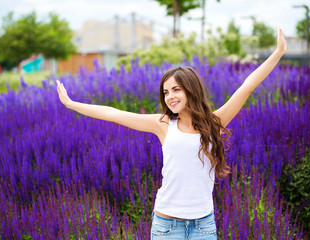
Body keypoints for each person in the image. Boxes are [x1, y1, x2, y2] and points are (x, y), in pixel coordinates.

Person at [56, 27, 287, 240]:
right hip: (167, 224)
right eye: (166, 92)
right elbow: (114, 113)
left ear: (191, 90)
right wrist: (73, 104)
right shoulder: (163, 124)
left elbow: (246, 86)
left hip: (203, 225)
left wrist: (278, 53)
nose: (170, 96)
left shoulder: (214, 123)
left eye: (176, 89)